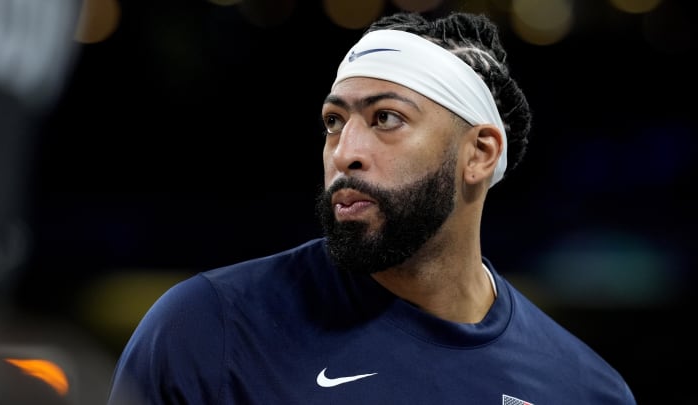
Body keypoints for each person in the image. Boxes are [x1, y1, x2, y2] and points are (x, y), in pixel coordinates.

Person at [107, 11, 635, 404]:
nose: (345, 153)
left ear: (478, 154)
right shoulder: (209, 328)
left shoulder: (585, 390)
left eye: (385, 118)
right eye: (335, 122)